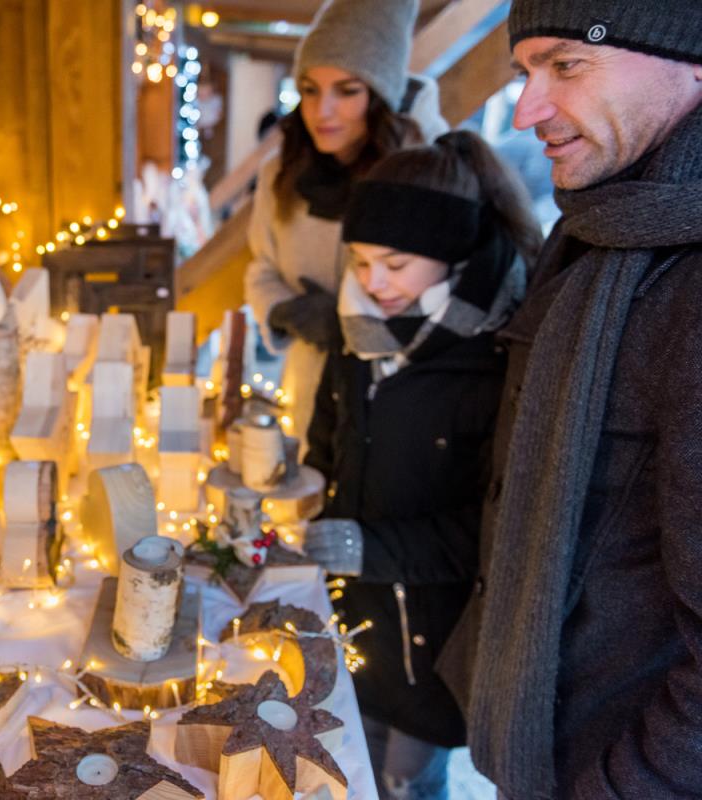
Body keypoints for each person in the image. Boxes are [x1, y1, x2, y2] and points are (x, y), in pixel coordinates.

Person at [428, 4, 702, 798]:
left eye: (567, 65)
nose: (526, 111)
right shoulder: (593, 229)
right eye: (525, 72)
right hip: (539, 742)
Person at [301, 131, 539, 799]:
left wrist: (366, 548)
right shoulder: (355, 328)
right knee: (347, 766)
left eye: (396, 264)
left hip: (432, 642)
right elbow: (330, 434)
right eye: (360, 260)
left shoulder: (497, 355)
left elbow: (497, 524)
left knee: (404, 781)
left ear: (452, 252)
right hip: (350, 616)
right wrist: (304, 482)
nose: (373, 283)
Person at [244, 0, 447, 451]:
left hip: (399, 397)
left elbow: (451, 286)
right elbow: (261, 267)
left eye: (347, 90)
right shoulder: (281, 173)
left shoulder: (427, 171)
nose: (323, 111)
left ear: (379, 94)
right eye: (310, 90)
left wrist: (356, 320)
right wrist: (286, 311)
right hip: (310, 392)